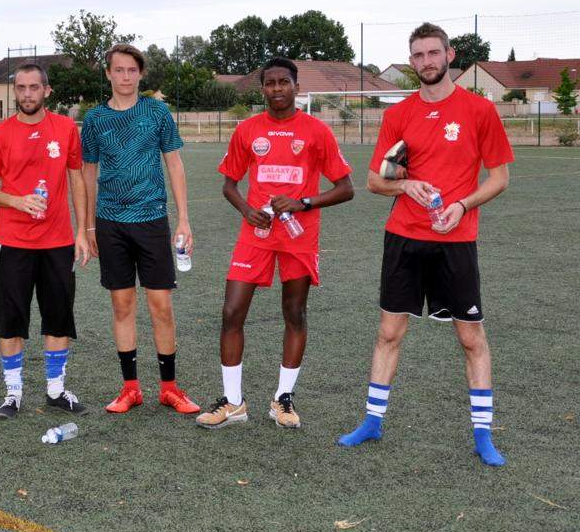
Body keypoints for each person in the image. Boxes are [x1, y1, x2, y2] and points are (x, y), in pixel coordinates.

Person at [337, 23, 513, 466]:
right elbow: (376, 179)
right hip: (404, 238)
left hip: (456, 239)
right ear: (411, 61)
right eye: (418, 56)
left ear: (450, 55)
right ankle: (372, 422)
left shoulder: (479, 111)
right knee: (389, 331)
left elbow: (500, 179)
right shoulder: (398, 115)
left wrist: (463, 204)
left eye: (433, 53)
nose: (426, 62)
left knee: (471, 337)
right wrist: (406, 184)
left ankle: (483, 436)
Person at [195, 58, 353, 430]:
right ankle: (233, 402)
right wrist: (247, 210)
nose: (277, 89)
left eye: (284, 82)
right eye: (270, 83)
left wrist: (304, 202)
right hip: (256, 236)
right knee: (232, 312)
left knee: (294, 314)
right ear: (262, 88)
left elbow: (346, 188)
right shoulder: (248, 130)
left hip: (299, 238)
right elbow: (229, 184)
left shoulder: (316, 131)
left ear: (296, 86)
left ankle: (283, 399)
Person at [80, 43, 200, 415]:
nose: (126, 77)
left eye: (132, 70)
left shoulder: (157, 112)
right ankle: (130, 388)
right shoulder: (96, 119)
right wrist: (87, 227)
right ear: (109, 74)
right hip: (110, 222)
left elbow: (175, 165)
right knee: (122, 304)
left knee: (161, 305)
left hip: (151, 220)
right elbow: (87, 172)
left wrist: (183, 219)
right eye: (119, 70)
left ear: (140, 74)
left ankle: (170, 388)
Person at [0, 63, 93, 419]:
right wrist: (16, 200)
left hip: (57, 241)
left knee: (58, 317)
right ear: (16, 92)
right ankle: (13, 394)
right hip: (11, 241)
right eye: (21, 88)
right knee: (11, 320)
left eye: (33, 87)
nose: (27, 94)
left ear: (47, 91)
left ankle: (56, 391)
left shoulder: (65, 129)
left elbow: (77, 178)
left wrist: (82, 230)